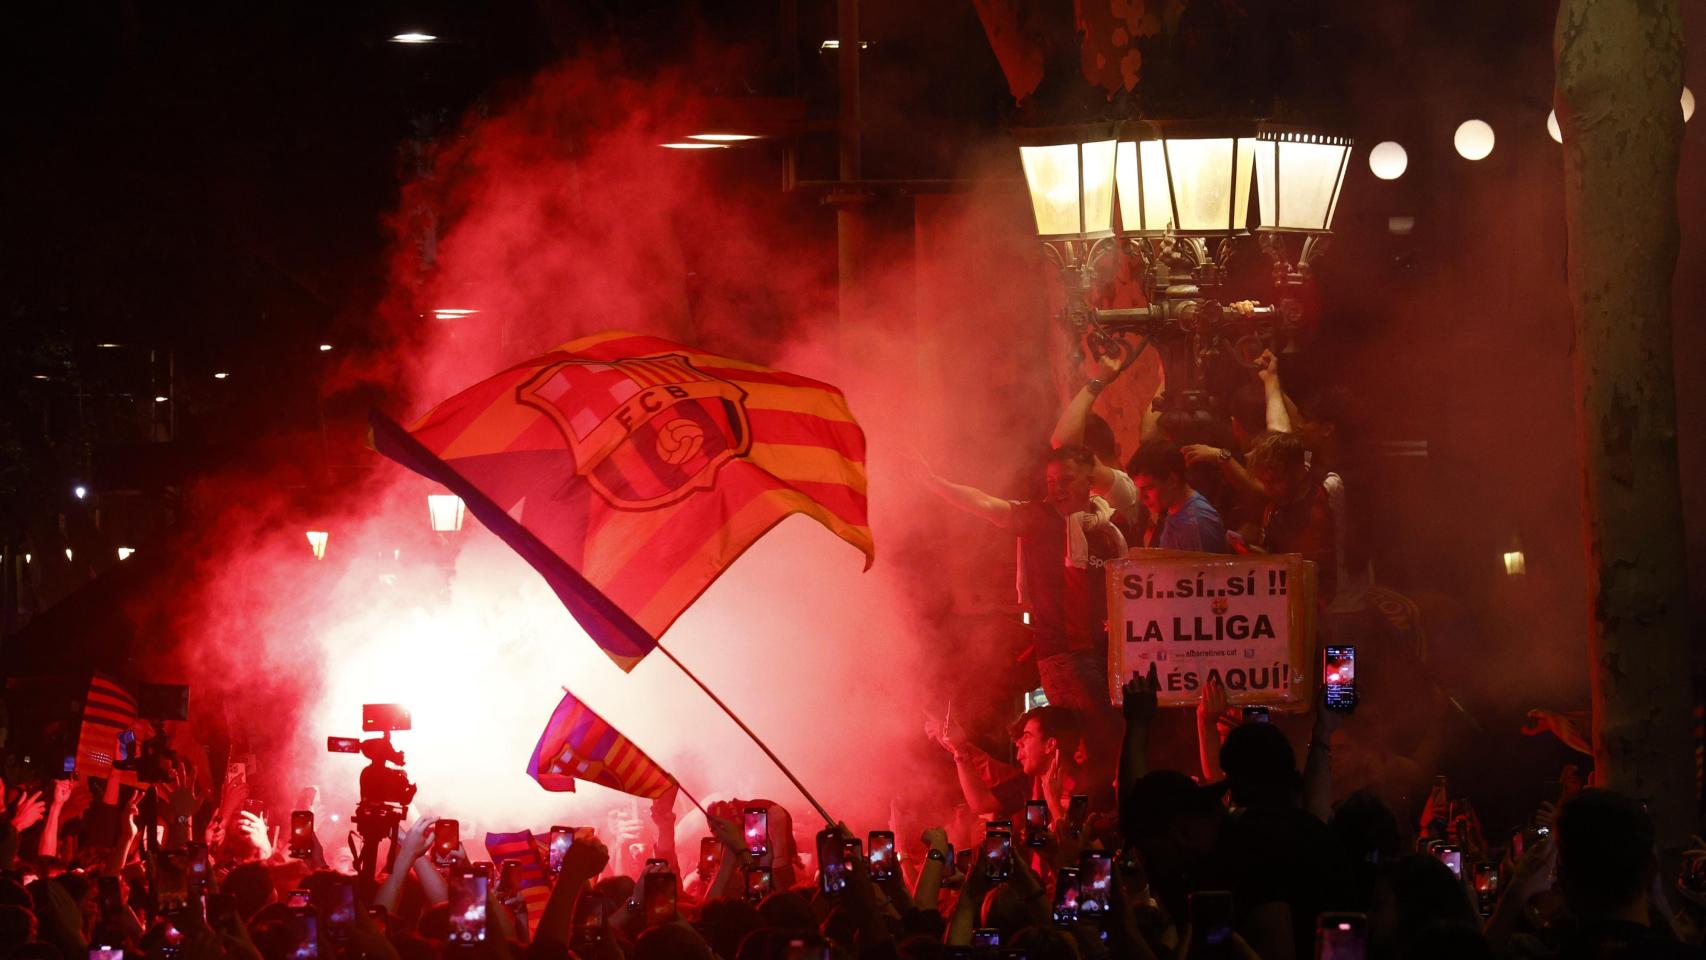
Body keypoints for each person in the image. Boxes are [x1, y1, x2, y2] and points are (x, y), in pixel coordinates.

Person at [915, 445, 1127, 722]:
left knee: (1110, 741)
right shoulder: (1039, 519)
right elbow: (986, 504)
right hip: (1065, 657)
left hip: (1108, 653)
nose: (1056, 490)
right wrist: (934, 482)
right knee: (1103, 738)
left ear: (1088, 481)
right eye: (1051, 482)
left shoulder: (1107, 528)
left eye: (1065, 480)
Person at [1239, 430, 1338, 602]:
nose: (1268, 488)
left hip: (1318, 609)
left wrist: (1269, 560)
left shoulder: (1317, 509)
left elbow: (1313, 576)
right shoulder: (1276, 505)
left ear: (1299, 473)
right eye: (1263, 482)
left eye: (1276, 481)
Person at [1126, 440, 1226, 552]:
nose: (1141, 497)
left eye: (1148, 488)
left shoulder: (1195, 524)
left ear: (1172, 481)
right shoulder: (1175, 512)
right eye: (1138, 489)